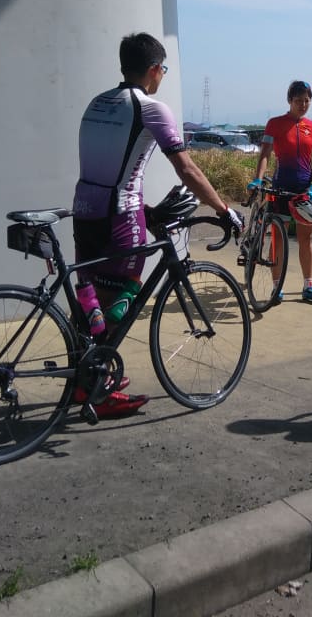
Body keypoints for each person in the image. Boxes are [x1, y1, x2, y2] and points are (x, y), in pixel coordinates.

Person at [72, 32, 244, 417]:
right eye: (163, 69)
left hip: (84, 209)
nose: (163, 76)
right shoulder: (151, 108)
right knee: (123, 297)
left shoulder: (97, 102)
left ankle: (82, 381)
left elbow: (104, 165)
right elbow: (186, 168)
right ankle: (100, 389)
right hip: (119, 214)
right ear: (153, 69)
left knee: (89, 297)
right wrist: (222, 210)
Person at [252, 80, 312, 303]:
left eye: (306, 100)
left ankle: (308, 286)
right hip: (280, 189)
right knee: (279, 239)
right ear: (289, 101)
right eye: (298, 101)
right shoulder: (274, 124)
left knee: (306, 239)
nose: (303, 105)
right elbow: (265, 154)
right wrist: (257, 179)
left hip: (304, 191)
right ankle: (276, 288)